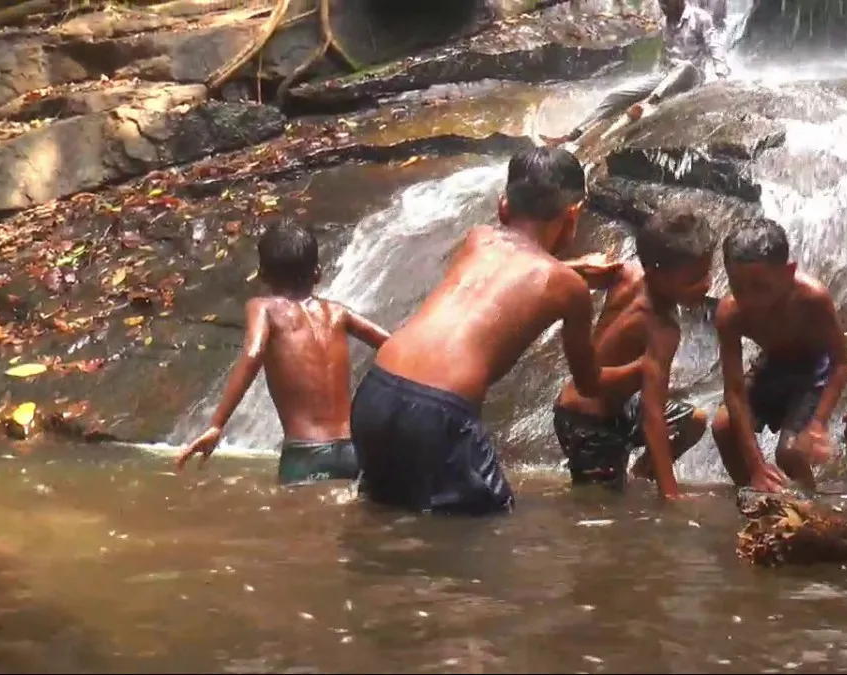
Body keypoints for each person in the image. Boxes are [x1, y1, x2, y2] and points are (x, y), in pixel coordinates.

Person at [349, 147, 635, 516]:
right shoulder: (569, 289)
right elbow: (589, 383)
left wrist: (573, 267)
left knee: (384, 516)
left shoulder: (477, 238)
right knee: (486, 529)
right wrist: (645, 368)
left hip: (376, 392)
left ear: (503, 206)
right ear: (572, 216)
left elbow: (512, 269)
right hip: (439, 412)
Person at [176, 223, 392, 487]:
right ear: (318, 273)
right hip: (352, 450)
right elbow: (392, 344)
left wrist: (217, 425)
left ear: (263, 275)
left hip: (305, 454)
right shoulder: (338, 313)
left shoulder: (263, 307)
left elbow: (253, 353)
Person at [551, 215, 713, 492]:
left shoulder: (626, 272)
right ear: (658, 275)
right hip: (587, 423)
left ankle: (642, 472)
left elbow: (559, 274)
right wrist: (671, 496)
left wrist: (577, 265)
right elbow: (653, 417)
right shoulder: (662, 329)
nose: (707, 284)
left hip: (619, 408)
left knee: (694, 421)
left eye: (708, 272)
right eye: (694, 280)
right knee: (600, 511)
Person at [710, 218, 847, 493]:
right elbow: (735, 390)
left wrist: (817, 425)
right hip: (771, 366)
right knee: (723, 426)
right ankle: (753, 493)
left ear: (788, 273)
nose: (750, 300)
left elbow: (842, 364)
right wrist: (755, 465)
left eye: (761, 287)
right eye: (739, 288)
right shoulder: (730, 314)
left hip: (812, 371)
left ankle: (812, 509)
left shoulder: (812, 298)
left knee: (790, 452)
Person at [541, 0, 730, 147]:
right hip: (666, 77)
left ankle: (647, 104)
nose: (663, 6)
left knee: (685, 66)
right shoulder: (665, 22)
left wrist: (722, 76)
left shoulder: (700, 17)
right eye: (661, 2)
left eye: (666, 2)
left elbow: (715, 46)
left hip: (691, 76)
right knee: (615, 95)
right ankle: (574, 134)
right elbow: (665, 57)